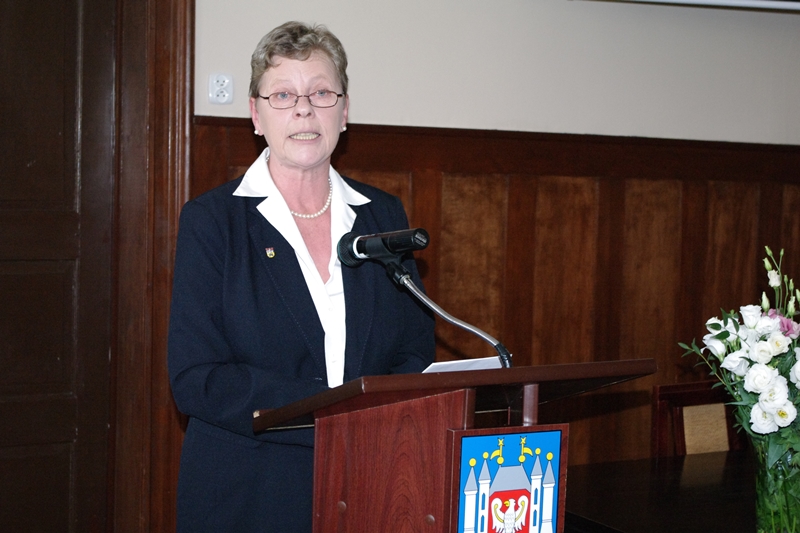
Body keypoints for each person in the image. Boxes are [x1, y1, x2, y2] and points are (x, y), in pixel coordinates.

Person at [167, 21, 435, 532]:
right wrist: (329, 415)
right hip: (249, 494)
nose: (304, 110)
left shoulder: (382, 214)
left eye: (321, 93)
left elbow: (415, 347)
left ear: (344, 110)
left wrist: (371, 421)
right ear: (256, 114)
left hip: (369, 483)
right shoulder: (213, 221)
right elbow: (197, 378)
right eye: (284, 94)